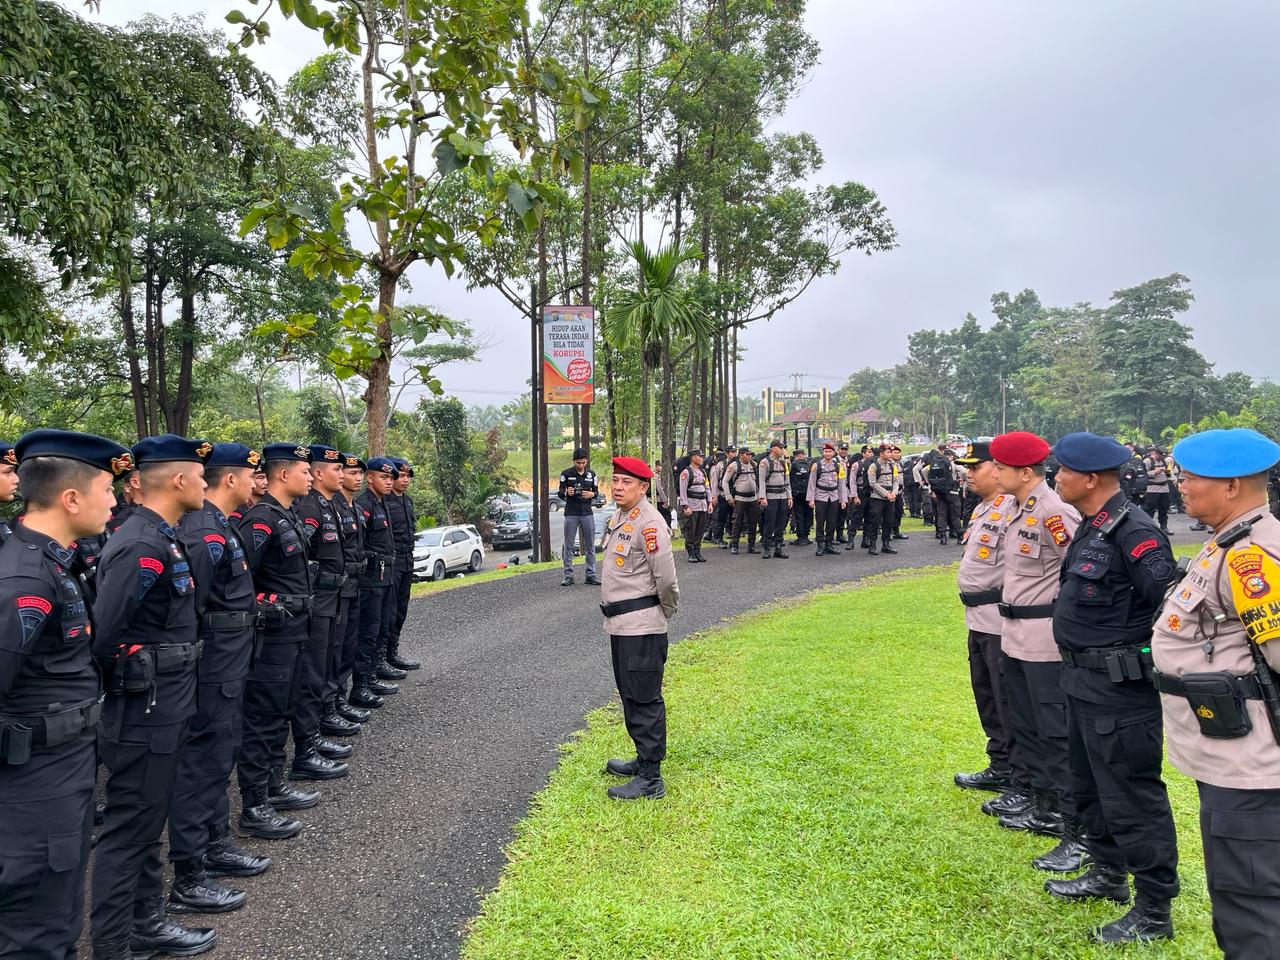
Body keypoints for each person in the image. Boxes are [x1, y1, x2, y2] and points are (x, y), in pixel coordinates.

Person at [1150, 428, 1280, 958]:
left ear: (1230, 486)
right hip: (1227, 756)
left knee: (1253, 905)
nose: (1180, 485)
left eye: (1191, 477)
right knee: (1237, 896)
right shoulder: (1226, 539)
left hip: (1254, 768)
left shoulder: (1252, 556)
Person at [1045, 433, 1179, 943]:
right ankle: (1107, 874)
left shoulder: (1135, 531)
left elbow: (1167, 606)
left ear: (1091, 479)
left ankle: (1154, 909)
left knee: (1130, 794)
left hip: (1119, 689)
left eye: (1063, 471)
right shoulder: (1094, 526)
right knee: (1090, 786)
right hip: (1082, 681)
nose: (1056, 478)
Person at [0, 430, 128, 960]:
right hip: (32, 783)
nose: (116, 500)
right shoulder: (23, 578)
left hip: (63, 768)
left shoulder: (53, 560)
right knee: (36, 926)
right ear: (71, 498)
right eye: (107, 488)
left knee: (57, 915)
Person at [91, 435, 214, 960]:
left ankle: (146, 920)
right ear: (181, 481)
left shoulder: (162, 536)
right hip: (144, 705)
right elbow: (105, 636)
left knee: (146, 821)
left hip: (166, 700)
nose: (206, 484)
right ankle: (116, 943)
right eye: (200, 475)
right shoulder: (140, 543)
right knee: (130, 830)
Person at [166, 444, 270, 917]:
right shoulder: (203, 531)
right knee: (201, 766)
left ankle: (216, 844)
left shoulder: (221, 525)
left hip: (230, 665)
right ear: (230, 480)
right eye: (251, 475)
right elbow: (194, 609)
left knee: (218, 758)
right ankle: (190, 871)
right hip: (211, 671)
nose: (257, 482)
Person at [988, 431, 1082, 843]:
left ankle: (1064, 812)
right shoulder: (1014, 507)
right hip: (1013, 633)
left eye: (1000, 467)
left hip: (1043, 638)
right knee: (1025, 723)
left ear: (1024, 472)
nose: (994, 472)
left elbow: (1076, 573)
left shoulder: (1054, 511)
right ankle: (1039, 801)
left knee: (1053, 729)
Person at [236, 443, 329, 844]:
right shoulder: (260, 521)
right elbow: (243, 584)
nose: (310, 477)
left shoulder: (284, 516)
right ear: (283, 475)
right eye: (305, 471)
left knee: (281, 712)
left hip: (296, 630)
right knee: (262, 718)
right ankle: (254, 806)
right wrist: (268, 608)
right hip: (272, 637)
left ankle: (275, 785)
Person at [599, 456, 679, 801]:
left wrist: (666, 611)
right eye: (615, 481)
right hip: (621, 625)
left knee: (644, 698)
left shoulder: (649, 524)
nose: (618, 487)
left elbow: (667, 579)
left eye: (626, 482)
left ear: (643, 487)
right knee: (630, 693)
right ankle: (641, 757)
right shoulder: (621, 517)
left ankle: (651, 779)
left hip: (642, 626)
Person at [952, 442, 1015, 796]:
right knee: (987, 695)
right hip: (977, 618)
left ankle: (1018, 774)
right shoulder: (983, 508)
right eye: (967, 468)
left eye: (976, 467)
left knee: (1006, 698)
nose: (969, 474)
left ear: (998, 468)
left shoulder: (1013, 509)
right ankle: (1000, 763)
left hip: (1001, 620)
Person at [292, 447, 358, 768]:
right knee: (314, 669)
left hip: (334, 596)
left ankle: (321, 724)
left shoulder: (328, 505)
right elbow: (300, 557)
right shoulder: (308, 507)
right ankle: (308, 743)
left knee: (330, 660)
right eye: (336, 470)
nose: (342, 475)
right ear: (319, 473)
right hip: (318, 599)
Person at [350, 458, 399, 709]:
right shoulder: (363, 505)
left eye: (391, 478)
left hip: (386, 576)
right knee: (367, 632)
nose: (389, 482)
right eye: (384, 478)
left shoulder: (383, 504)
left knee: (381, 627)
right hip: (370, 578)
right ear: (370, 478)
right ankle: (360, 685)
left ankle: (372, 675)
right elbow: (359, 546)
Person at [329, 454, 370, 728]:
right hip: (337, 587)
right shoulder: (330, 507)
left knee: (348, 644)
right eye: (351, 472)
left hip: (357, 582)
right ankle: (332, 705)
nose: (357, 478)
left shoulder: (354, 507)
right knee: (334, 650)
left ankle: (340, 700)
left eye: (359, 474)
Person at [382, 458, 422, 673]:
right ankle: (382, 658)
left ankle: (392, 652)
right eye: (401, 475)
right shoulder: (385, 502)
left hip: (407, 560)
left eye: (408, 476)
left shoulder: (407, 501)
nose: (405, 480)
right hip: (391, 562)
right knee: (388, 611)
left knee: (400, 610)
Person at [559, 448, 601, 586]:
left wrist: (592, 495)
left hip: (587, 513)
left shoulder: (592, 474)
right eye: (578, 463)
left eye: (583, 462)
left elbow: (596, 491)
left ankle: (591, 574)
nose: (581, 465)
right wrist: (566, 492)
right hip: (571, 512)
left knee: (590, 545)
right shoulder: (566, 474)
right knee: (569, 545)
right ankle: (568, 575)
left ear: (586, 461)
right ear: (574, 461)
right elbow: (560, 492)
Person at [807, 443, 847, 557]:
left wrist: (843, 500)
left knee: (832, 521)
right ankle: (820, 544)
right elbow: (812, 483)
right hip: (821, 496)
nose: (828, 454)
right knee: (820, 521)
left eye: (830, 452)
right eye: (826, 452)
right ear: (823, 453)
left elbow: (841, 484)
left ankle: (829, 544)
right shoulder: (816, 465)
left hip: (834, 496)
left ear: (834, 453)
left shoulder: (838, 465)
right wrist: (811, 499)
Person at [863, 445, 901, 556]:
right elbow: (873, 483)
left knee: (888, 521)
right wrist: (886, 494)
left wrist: (894, 492)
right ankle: (873, 545)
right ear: (881, 453)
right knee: (874, 522)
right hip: (878, 498)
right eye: (888, 452)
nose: (890, 454)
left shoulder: (892, 465)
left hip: (890, 497)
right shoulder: (874, 466)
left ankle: (886, 544)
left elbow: (896, 481)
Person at [758, 441, 792, 560]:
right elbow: (761, 481)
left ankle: (778, 548)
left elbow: (787, 480)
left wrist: (789, 496)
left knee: (781, 523)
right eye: (780, 447)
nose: (782, 450)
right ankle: (767, 548)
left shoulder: (783, 463)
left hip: (782, 496)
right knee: (770, 523)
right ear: (773, 449)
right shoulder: (765, 462)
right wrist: (762, 497)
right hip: (771, 497)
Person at [723, 447, 760, 555]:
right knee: (737, 522)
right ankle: (734, 545)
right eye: (747, 454)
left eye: (750, 454)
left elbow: (759, 481)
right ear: (741, 455)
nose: (749, 456)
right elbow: (725, 482)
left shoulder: (754, 465)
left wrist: (759, 495)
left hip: (753, 498)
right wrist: (729, 497)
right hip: (739, 498)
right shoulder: (734, 466)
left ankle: (751, 546)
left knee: (753, 522)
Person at [677, 449, 711, 563]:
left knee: (700, 530)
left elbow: (707, 487)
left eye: (702, 456)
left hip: (702, 505)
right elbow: (682, 491)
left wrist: (709, 502)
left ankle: (697, 551)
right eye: (699, 456)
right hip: (692, 505)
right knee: (691, 530)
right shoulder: (686, 473)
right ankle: (691, 552)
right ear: (693, 458)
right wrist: (685, 506)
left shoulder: (703, 472)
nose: (702, 458)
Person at [928, 448, 964, 545]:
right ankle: (960, 536)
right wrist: (961, 480)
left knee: (942, 514)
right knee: (955, 515)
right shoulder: (954, 464)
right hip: (952, 492)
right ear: (951, 455)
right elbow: (965, 472)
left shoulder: (936, 463)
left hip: (940, 492)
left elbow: (924, 471)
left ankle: (942, 536)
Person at [1142, 445, 1172, 533]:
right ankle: (1148, 527)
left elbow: (1170, 474)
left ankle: (1164, 527)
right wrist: (1154, 472)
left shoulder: (1165, 461)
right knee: (1149, 509)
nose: (1161, 458)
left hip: (1164, 488)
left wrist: (1167, 473)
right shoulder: (1148, 461)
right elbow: (1142, 474)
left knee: (1164, 509)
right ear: (1155, 453)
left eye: (1163, 456)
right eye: (1160, 456)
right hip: (1152, 488)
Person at [788, 449, 813, 544]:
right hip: (808, 494)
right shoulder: (810, 464)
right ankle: (806, 536)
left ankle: (800, 537)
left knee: (799, 515)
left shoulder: (793, 465)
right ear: (803, 455)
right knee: (808, 514)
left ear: (796, 456)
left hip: (797, 494)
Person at [706, 449, 730, 547]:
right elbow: (713, 483)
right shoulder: (715, 468)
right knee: (718, 517)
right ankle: (715, 536)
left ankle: (711, 534)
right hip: (718, 495)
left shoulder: (721, 466)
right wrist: (714, 496)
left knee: (719, 517)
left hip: (722, 494)